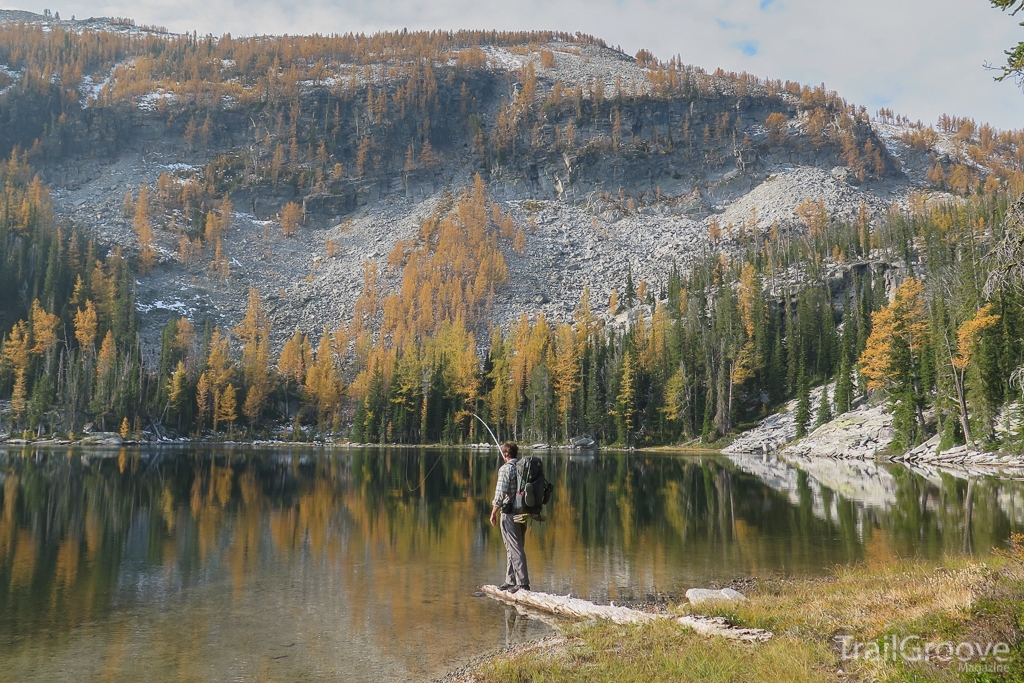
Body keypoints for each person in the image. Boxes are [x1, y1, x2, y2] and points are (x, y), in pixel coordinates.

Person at [489, 441, 530, 593]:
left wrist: (493, 512)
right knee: (515, 546)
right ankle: (510, 580)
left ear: (505, 454)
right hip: (523, 513)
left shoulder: (506, 469)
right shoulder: (523, 468)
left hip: (510, 513)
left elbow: (500, 494)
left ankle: (522, 583)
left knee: (514, 547)